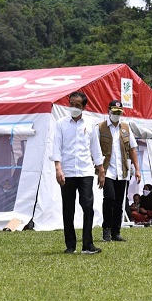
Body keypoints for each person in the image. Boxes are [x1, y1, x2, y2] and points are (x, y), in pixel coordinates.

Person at [52, 91, 105, 254]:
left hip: (85, 171)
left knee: (88, 206)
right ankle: (70, 245)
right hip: (67, 171)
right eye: (72, 105)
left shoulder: (90, 124)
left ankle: (88, 245)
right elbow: (56, 147)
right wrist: (58, 168)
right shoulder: (61, 123)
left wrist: (100, 169)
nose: (74, 108)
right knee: (68, 208)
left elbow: (95, 148)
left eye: (78, 105)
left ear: (84, 107)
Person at [97, 100, 141, 242]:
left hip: (122, 170)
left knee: (119, 202)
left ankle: (116, 232)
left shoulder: (126, 128)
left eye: (119, 112)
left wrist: (137, 169)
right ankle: (106, 229)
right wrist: (99, 169)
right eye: (114, 112)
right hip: (107, 169)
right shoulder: (100, 128)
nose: (116, 115)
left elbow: (132, 149)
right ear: (109, 111)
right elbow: (95, 149)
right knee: (109, 198)